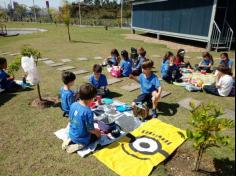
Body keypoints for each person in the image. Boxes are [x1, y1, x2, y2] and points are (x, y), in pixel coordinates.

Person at [64, 83, 101, 154]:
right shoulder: (88, 111)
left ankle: (70, 140)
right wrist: (98, 133)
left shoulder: (73, 104)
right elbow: (91, 130)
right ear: (91, 99)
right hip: (81, 138)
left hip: (71, 133)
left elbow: (70, 119)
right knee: (97, 135)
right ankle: (80, 145)